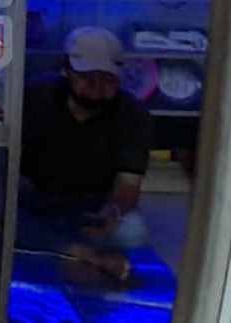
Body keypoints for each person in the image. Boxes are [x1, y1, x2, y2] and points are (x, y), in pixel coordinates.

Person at [17, 26, 153, 281]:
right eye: (87, 77)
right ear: (66, 70)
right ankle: (75, 251)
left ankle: (66, 247)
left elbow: (128, 184)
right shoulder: (34, 97)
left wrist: (112, 213)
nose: (96, 87)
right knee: (10, 219)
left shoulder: (134, 115)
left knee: (133, 231)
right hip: (35, 199)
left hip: (92, 206)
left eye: (106, 79)